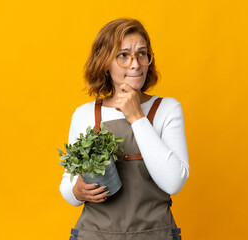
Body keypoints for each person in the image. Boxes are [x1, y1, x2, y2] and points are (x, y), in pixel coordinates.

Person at [60, 18, 189, 240]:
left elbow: (174, 182)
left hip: (155, 235)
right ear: (105, 63)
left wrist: (137, 117)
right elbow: (67, 186)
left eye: (142, 53)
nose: (135, 64)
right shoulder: (85, 114)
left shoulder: (167, 109)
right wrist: (76, 191)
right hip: (95, 235)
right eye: (123, 55)